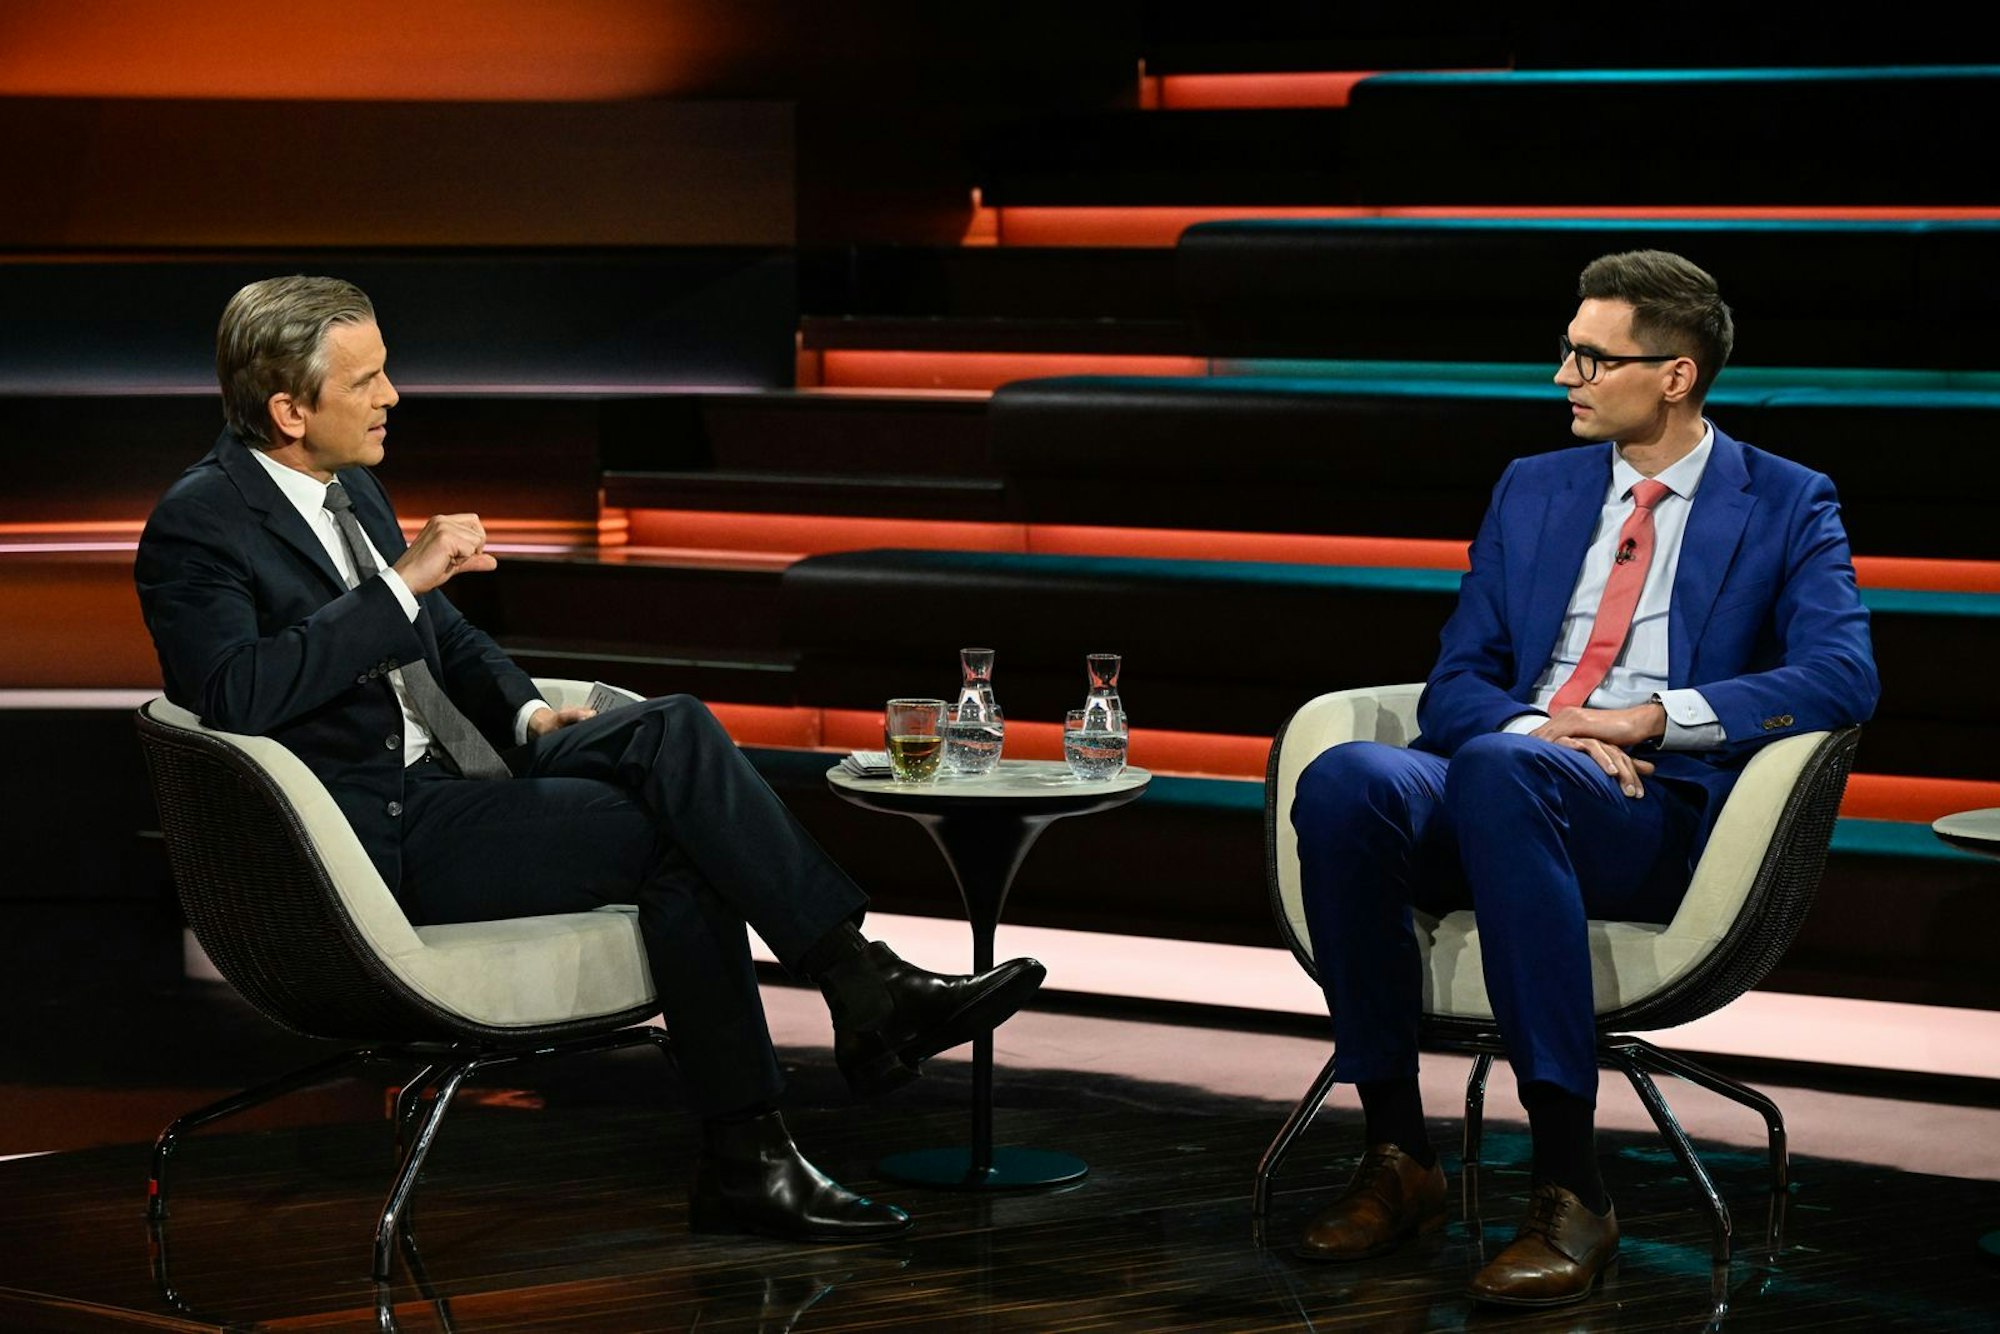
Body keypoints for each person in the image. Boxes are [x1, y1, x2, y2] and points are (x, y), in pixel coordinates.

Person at [135, 275, 1050, 1244]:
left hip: (454, 784)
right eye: (365, 380)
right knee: (685, 847)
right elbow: (233, 693)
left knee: (675, 724)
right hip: (370, 837)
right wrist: (398, 585)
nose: (392, 395)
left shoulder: (350, 486)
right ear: (288, 410)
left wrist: (527, 712)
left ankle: (842, 1014)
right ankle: (819, 1056)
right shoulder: (201, 521)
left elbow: (443, 635)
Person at [1287, 250, 1878, 1306]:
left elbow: (1841, 674)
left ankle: (1568, 1181)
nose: (1562, 376)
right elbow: (1459, 672)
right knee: (1345, 779)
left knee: (1508, 772)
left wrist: (1644, 718)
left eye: (1590, 357)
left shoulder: (1785, 500)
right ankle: (1396, 1153)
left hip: (1644, 808)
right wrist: (1533, 725)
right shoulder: (1532, 486)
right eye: (1565, 350)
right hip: (1502, 764)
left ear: (1675, 374)